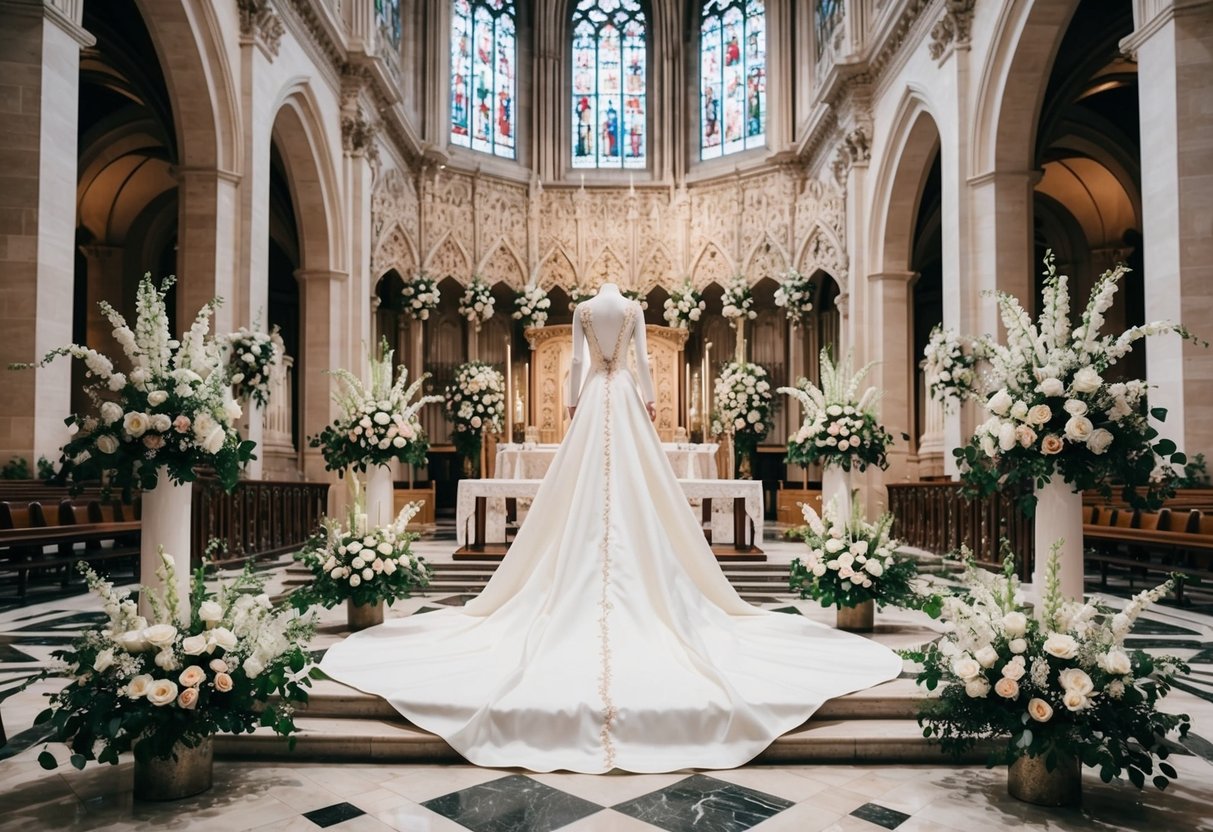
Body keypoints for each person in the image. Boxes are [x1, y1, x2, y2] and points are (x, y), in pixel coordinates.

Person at [320, 283, 902, 773]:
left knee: (578, 498)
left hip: (595, 398)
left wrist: (573, 406)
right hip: (622, 397)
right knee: (638, 492)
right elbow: (645, 365)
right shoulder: (630, 309)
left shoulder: (581, 311)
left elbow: (575, 364)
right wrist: (647, 401)